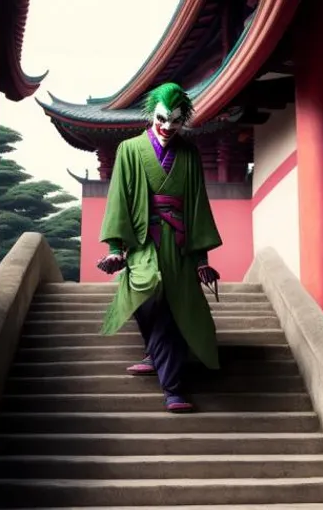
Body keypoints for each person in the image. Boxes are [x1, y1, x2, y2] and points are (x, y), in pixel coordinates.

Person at [97, 82, 222, 412]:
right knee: (146, 300)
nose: (168, 127)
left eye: (176, 121)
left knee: (171, 311)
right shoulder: (128, 150)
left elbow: (197, 205)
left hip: (179, 245)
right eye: (162, 119)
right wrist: (115, 248)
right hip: (142, 244)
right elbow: (119, 200)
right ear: (151, 114)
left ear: (184, 120)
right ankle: (155, 352)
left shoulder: (189, 153)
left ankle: (174, 389)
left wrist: (201, 258)